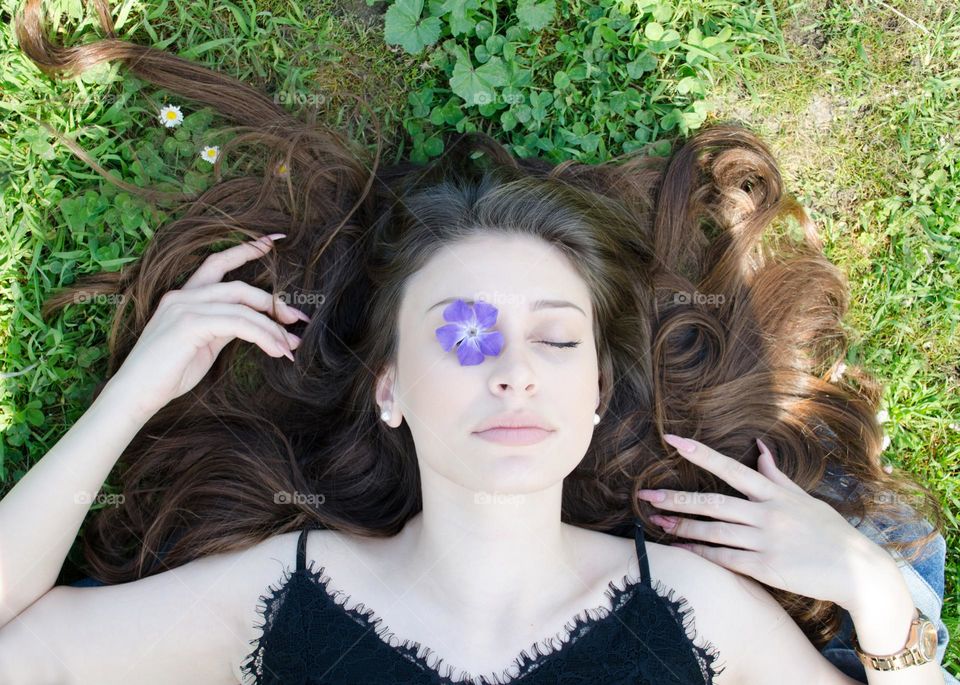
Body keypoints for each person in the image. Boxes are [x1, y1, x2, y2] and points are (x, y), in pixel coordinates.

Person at [1, 0, 953, 683]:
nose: (512, 374)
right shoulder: (273, 602)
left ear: (594, 393)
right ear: (391, 390)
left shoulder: (699, 616)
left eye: (556, 337)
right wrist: (129, 399)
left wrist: (875, 594)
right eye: (463, 334)